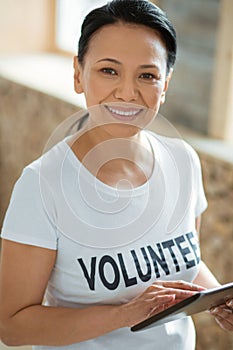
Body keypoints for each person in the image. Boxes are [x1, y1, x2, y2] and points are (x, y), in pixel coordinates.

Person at [0, 1, 232, 349]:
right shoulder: (42, 185)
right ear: (78, 75)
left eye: (147, 75)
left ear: (165, 84)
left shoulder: (183, 161)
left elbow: (183, 259)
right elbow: (13, 325)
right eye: (109, 71)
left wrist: (216, 300)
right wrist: (125, 314)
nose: (127, 92)